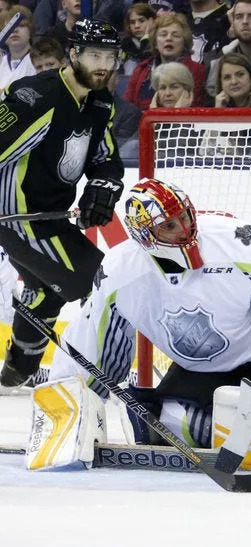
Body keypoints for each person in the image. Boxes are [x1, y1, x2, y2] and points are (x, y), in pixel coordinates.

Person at [47, 177, 251, 449]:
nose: (185, 229)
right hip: (206, 372)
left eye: (187, 216)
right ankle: (230, 425)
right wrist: (65, 408)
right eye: (170, 226)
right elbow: (92, 344)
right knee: (160, 426)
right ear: (145, 237)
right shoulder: (121, 272)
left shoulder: (238, 245)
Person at [0, 19, 124, 388]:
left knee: (47, 290)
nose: (102, 63)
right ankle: (101, 378)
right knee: (102, 283)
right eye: (93, 54)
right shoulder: (37, 98)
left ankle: (16, 372)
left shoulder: (101, 103)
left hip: (51, 219)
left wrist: (102, 187)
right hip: (15, 219)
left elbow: (105, 159)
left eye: (109, 56)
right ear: (73, 55)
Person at [124, 12, 206, 110]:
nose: (169, 38)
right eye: (163, 35)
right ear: (155, 43)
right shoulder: (141, 69)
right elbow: (127, 107)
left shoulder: (197, 70)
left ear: (184, 42)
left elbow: (197, 107)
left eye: (175, 35)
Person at [0, 6, 36, 90]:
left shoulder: (39, 61)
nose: (14, 30)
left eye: (21, 25)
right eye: (9, 27)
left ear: (30, 30)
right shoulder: (1, 61)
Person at [121, 2, 156, 75]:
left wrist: (146, 38)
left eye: (141, 21)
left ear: (151, 21)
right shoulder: (126, 43)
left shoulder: (159, 41)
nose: (136, 26)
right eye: (132, 22)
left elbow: (146, 63)